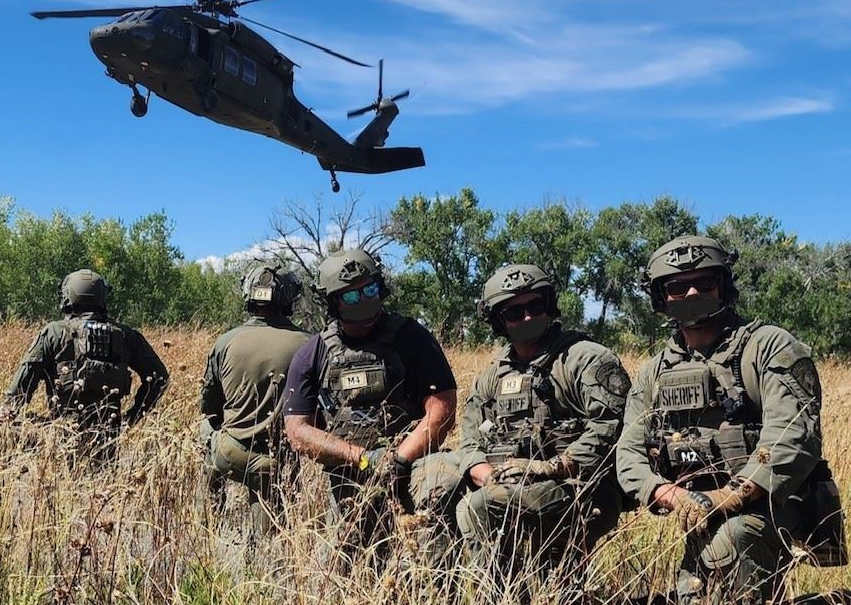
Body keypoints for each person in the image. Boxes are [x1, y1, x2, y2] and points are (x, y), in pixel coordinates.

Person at [615, 235, 843, 604]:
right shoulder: (655, 370)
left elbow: (794, 437)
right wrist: (672, 496)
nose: (691, 293)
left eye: (704, 283)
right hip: (694, 511)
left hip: (773, 505)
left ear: (723, 286)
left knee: (733, 537)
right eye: (678, 287)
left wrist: (725, 497)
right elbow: (628, 452)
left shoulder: (769, 346)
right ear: (662, 298)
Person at [414, 264, 630, 590]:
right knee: (439, 485)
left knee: (479, 508)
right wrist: (485, 473)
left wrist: (549, 467)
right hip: (506, 486)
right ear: (499, 320)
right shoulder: (492, 376)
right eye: (515, 312)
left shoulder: (585, 359)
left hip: (578, 489)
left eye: (535, 306)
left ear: (549, 304)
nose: (527, 317)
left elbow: (611, 427)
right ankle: (448, 591)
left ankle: (502, 596)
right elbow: (471, 440)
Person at [282, 248, 457, 564]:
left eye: (369, 290)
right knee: (344, 565)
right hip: (347, 477)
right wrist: (363, 459)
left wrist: (399, 460)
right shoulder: (312, 353)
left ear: (380, 287)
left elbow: (442, 409)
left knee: (422, 561)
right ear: (333, 302)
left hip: (412, 470)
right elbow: (297, 430)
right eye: (350, 297)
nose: (363, 301)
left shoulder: (412, 338)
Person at [0, 269, 169, 462]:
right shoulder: (126, 335)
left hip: (62, 434)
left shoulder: (54, 332)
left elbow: (26, 377)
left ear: (67, 296)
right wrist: (132, 417)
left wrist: (7, 410)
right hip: (108, 438)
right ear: (102, 297)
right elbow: (159, 378)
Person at [199, 265, 310, 535]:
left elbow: (209, 408)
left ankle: (208, 517)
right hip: (281, 459)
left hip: (231, 452)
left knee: (206, 431)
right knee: (270, 535)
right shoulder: (308, 343)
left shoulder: (226, 342)